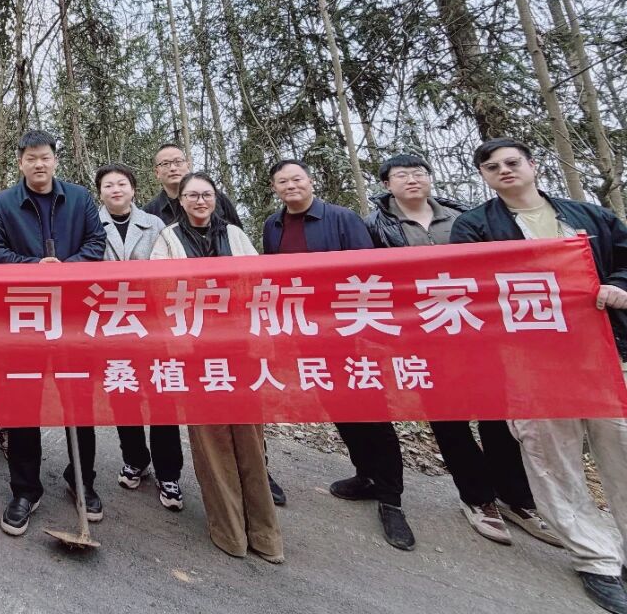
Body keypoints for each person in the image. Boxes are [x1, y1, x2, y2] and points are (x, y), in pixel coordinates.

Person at [452, 138, 627, 614]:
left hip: (602, 354)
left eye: (512, 162)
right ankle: (595, 558)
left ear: (532, 165)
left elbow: (624, 261)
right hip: (529, 361)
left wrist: (618, 286)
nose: (504, 170)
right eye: (492, 167)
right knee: (552, 458)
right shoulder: (474, 227)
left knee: (619, 448)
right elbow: (469, 286)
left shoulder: (589, 216)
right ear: (484, 176)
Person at [366, 152, 557, 548]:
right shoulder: (374, 226)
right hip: (421, 335)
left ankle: (515, 498)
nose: (412, 180)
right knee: (447, 418)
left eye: (419, 172)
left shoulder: (464, 217)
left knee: (497, 415)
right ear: (387, 184)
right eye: (401, 175)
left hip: (477, 331)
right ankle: (476, 498)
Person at [261, 158, 414, 551]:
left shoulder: (342, 218)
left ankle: (391, 499)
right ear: (275, 188)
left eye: (297, 179)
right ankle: (365, 475)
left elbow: (367, 274)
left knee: (373, 411)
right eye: (283, 182)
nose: (291, 186)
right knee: (339, 406)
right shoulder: (273, 225)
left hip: (351, 332)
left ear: (310, 181)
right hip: (309, 335)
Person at [152, 172, 284, 562]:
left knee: (250, 439)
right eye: (192, 195)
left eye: (206, 194)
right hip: (196, 352)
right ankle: (229, 531)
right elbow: (160, 292)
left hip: (241, 350)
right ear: (181, 201)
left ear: (215, 198)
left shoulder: (236, 236)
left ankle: (264, 532)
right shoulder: (168, 239)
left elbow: (259, 284)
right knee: (212, 443)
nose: (200, 201)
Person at [0, 130, 106, 537]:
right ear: (20, 162)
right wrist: (35, 268)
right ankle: (25, 490)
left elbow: (97, 242)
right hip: (25, 318)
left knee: (79, 403)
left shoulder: (80, 198)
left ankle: (82, 480)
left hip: (72, 318)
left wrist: (65, 270)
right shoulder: (3, 203)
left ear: (55, 160)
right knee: (22, 406)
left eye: (45, 157)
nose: (39, 164)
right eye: (31, 158)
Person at [96, 163, 182, 510]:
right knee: (123, 392)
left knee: (162, 396)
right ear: (100, 193)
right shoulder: (92, 224)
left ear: (133, 189)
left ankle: (169, 472)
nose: (116, 189)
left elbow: (170, 271)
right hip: (112, 324)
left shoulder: (155, 224)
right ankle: (134, 458)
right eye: (108, 185)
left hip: (152, 324)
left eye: (121, 183)